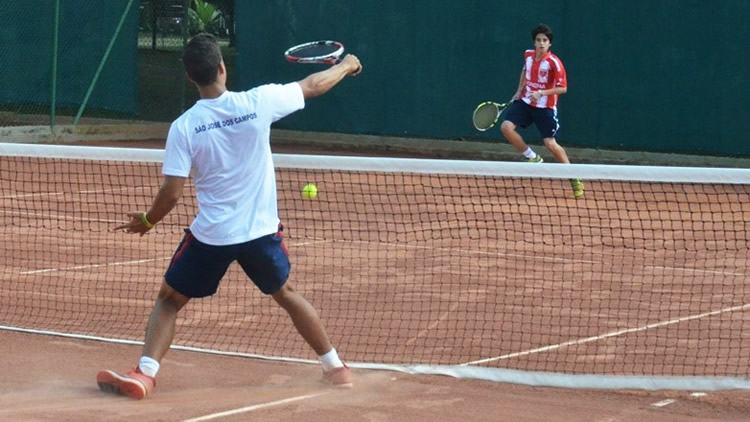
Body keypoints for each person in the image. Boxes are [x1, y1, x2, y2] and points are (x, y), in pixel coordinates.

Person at [96, 33, 362, 400]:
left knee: (169, 301)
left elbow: (171, 193)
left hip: (213, 236)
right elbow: (313, 85)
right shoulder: (260, 101)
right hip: (260, 233)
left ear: (191, 77)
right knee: (286, 293)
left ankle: (145, 374)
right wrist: (347, 66)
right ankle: (336, 368)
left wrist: (147, 220)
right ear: (221, 68)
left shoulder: (184, 127)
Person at [499, 24, 584, 199]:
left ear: (549, 44)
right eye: (538, 40)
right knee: (506, 127)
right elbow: (525, 70)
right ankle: (532, 157)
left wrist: (542, 93)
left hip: (545, 107)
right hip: (525, 102)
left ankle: (574, 177)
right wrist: (518, 90)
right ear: (534, 42)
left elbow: (563, 89)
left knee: (550, 144)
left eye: (545, 40)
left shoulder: (555, 63)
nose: (541, 43)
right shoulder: (528, 55)